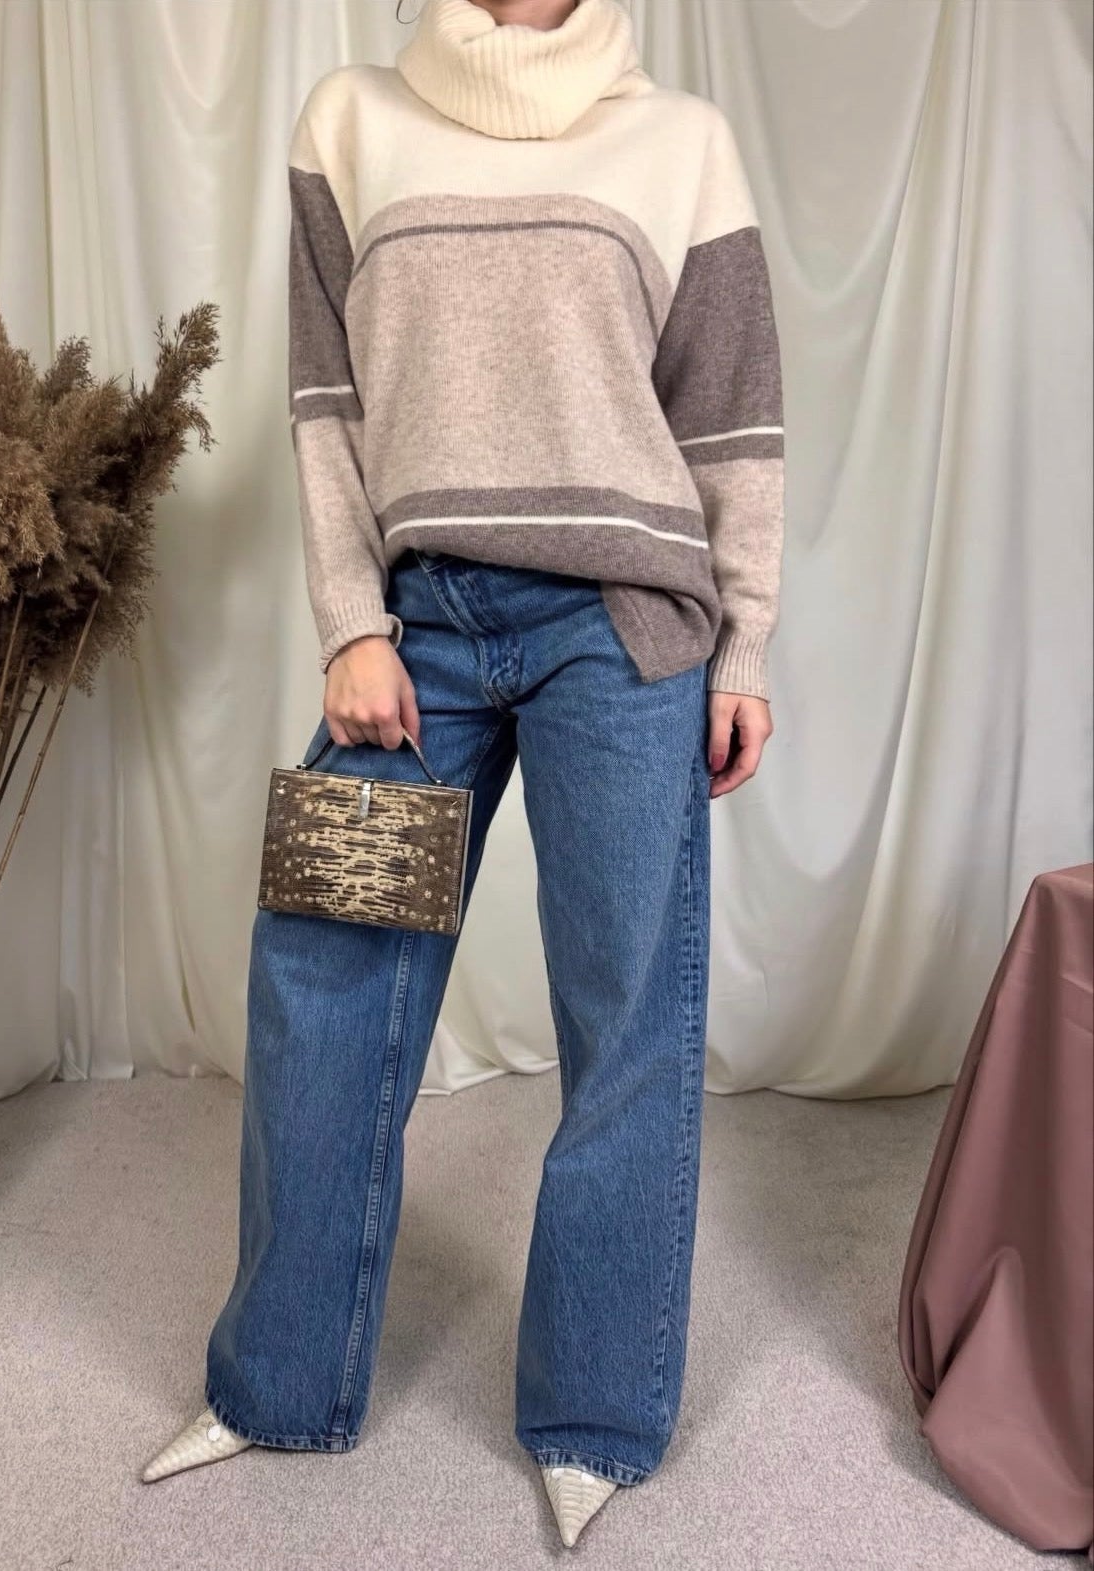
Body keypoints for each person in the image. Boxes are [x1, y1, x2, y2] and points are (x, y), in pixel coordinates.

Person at [142, 0, 784, 1550]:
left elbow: (733, 422)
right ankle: (277, 1377)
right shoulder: (351, 120)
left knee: (625, 1015)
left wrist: (743, 650)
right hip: (417, 625)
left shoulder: (681, 144)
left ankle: (591, 1414)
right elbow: (324, 405)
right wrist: (349, 623)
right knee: (321, 984)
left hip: (621, 632)